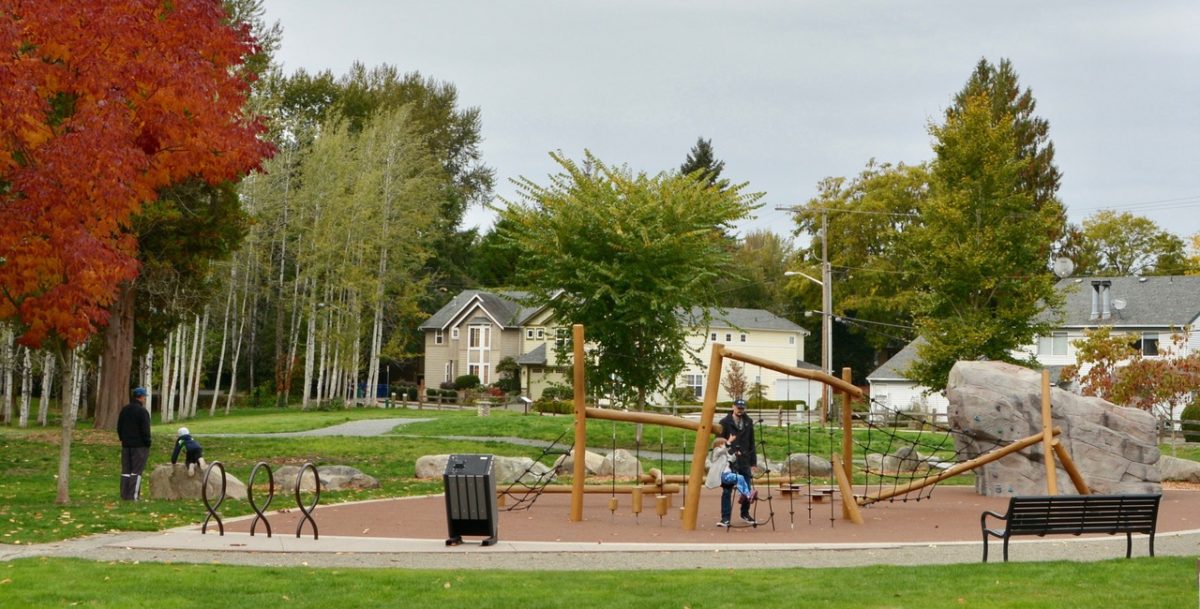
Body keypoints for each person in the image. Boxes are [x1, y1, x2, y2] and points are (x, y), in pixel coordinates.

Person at [716, 398, 757, 527]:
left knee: (747, 489)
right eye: (738, 408)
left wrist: (753, 462)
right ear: (733, 407)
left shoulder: (748, 422)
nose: (740, 411)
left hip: (744, 460)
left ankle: (745, 513)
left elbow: (751, 442)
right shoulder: (724, 423)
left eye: (742, 408)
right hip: (729, 462)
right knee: (727, 490)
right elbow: (718, 443)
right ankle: (725, 518)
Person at [117, 387, 152, 500]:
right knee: (136, 472)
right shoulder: (142, 412)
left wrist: (123, 439)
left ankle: (124, 494)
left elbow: (119, 427)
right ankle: (133, 496)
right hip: (140, 446)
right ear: (141, 397)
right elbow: (145, 429)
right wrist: (148, 442)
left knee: (126, 471)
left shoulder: (125, 410)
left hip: (126, 445)